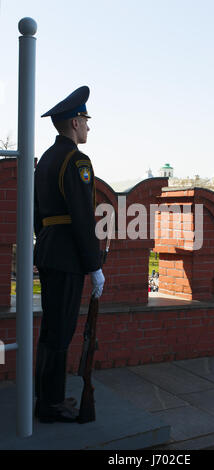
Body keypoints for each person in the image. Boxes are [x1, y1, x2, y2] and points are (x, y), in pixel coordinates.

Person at [34, 86, 105, 423]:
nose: (89, 127)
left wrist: (47, 239)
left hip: (48, 249)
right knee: (61, 332)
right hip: (67, 256)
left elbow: (37, 214)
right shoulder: (77, 161)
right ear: (75, 122)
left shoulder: (46, 159)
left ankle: (46, 398)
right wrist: (95, 266)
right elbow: (81, 215)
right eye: (86, 121)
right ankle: (50, 405)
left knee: (51, 329)